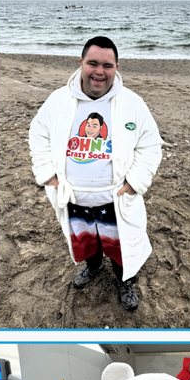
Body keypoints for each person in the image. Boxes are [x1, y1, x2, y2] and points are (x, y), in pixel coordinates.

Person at [28, 36, 162, 312]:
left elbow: (150, 144)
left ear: (116, 67)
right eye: (93, 63)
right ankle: (93, 266)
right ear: (81, 63)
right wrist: (48, 175)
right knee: (86, 240)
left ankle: (125, 281)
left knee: (120, 246)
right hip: (74, 196)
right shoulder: (59, 100)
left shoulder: (132, 103)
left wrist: (135, 182)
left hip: (115, 197)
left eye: (107, 65)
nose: (99, 71)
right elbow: (38, 133)